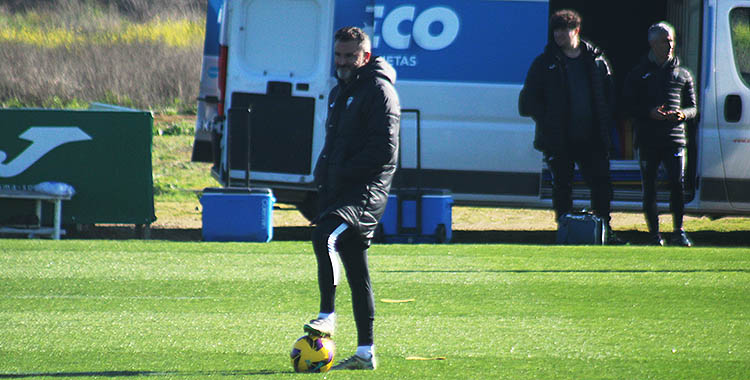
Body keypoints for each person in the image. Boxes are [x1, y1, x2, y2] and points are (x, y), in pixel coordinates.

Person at [303, 26, 400, 370]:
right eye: (339, 55)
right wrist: (322, 177)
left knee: (324, 236)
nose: (342, 62)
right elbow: (333, 144)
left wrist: (341, 172)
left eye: (350, 56)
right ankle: (365, 352)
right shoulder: (339, 92)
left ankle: (327, 315)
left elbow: (384, 151)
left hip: (366, 192)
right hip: (340, 190)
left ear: (365, 57)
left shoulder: (379, 92)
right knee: (358, 272)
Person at [519, 9, 625, 244]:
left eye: (564, 29)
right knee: (562, 188)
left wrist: (606, 128)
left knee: (601, 185)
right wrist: (548, 120)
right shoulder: (544, 63)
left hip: (592, 138)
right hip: (559, 139)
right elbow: (526, 102)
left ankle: (604, 231)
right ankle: (565, 230)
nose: (559, 35)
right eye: (555, 30)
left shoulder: (597, 61)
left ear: (576, 31)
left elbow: (610, 99)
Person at [623, 22, 697, 247]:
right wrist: (649, 113)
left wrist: (682, 115)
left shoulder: (683, 74)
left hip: (675, 140)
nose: (671, 45)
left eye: (672, 40)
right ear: (653, 44)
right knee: (650, 187)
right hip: (647, 140)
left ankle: (678, 231)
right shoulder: (638, 74)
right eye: (666, 41)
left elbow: (693, 108)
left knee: (677, 184)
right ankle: (654, 234)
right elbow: (627, 106)